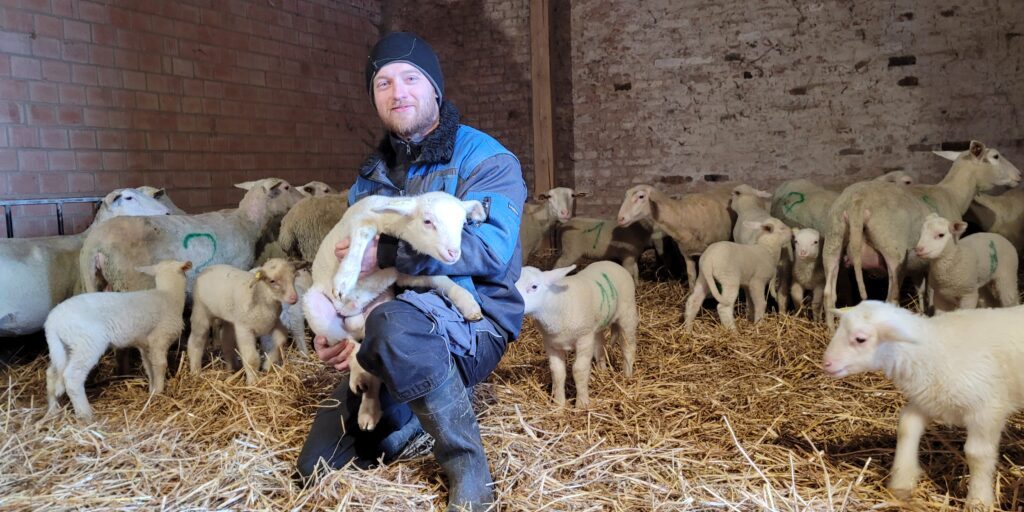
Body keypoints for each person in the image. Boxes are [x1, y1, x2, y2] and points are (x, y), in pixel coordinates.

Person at [295, 32, 527, 511]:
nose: (397, 92)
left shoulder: (486, 159)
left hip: (473, 320)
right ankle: (417, 407)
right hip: (385, 321)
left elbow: (490, 251)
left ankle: (469, 471)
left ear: (435, 89)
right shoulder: (371, 178)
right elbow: (350, 266)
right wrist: (334, 331)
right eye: (383, 83)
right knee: (318, 467)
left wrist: (386, 253)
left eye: (410, 78)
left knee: (393, 322)